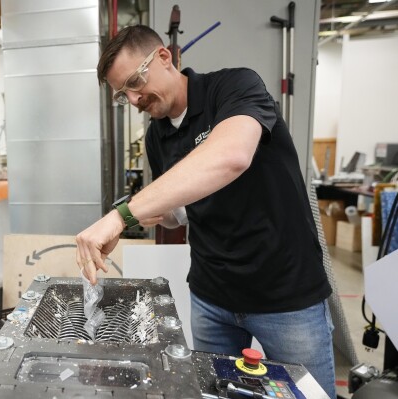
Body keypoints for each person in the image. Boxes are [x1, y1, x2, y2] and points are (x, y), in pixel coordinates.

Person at [75, 25, 336, 398]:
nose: (133, 99)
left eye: (135, 81)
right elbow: (178, 211)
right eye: (123, 94)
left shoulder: (234, 87)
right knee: (216, 393)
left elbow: (231, 157)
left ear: (164, 57)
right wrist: (143, 215)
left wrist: (120, 215)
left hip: (286, 295)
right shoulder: (157, 135)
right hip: (212, 298)